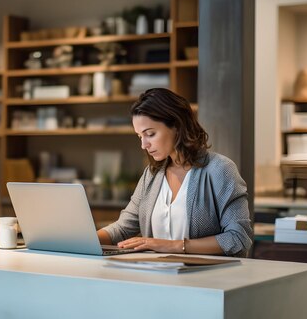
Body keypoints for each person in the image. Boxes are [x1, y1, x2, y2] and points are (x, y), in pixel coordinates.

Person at [97, 88, 252, 257]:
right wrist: (85, 239)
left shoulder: (220, 169)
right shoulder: (152, 174)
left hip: (206, 280)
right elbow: (123, 228)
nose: (144, 145)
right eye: (140, 136)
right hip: (158, 279)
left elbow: (238, 237)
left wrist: (172, 246)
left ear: (177, 126)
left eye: (150, 134)